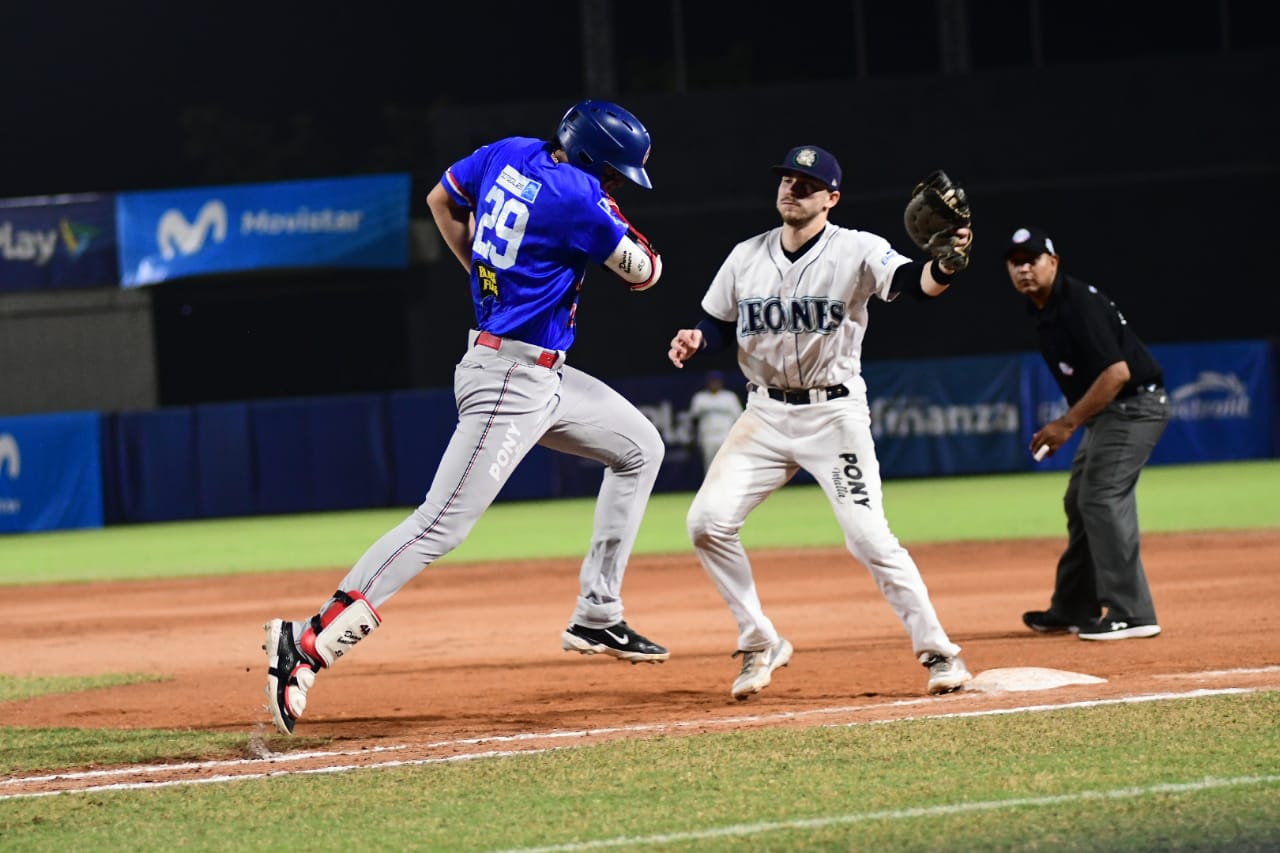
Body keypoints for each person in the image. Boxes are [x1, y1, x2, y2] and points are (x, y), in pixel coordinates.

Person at [263, 100, 671, 735]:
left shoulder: (509, 151)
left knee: (641, 447)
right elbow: (646, 273)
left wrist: (489, 283)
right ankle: (308, 643)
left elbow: (439, 201)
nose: (616, 183)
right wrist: (599, 214)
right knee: (440, 525)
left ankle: (597, 612)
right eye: (616, 172)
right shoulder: (579, 197)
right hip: (509, 380)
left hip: (539, 370)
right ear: (593, 159)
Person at [667, 145, 973, 699]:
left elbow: (913, 283)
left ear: (831, 198)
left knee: (869, 539)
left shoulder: (856, 248)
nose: (791, 189)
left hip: (833, 415)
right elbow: (713, 321)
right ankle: (760, 641)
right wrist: (696, 339)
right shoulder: (745, 255)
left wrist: (946, 265)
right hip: (762, 414)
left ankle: (940, 653)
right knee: (706, 524)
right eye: (786, 180)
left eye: (806, 184)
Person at [1006, 226, 1169, 641]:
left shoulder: (1077, 302)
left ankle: (1132, 612)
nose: (1024, 268)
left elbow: (1117, 373)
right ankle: (1074, 607)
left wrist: (1066, 424)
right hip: (1111, 413)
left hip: (1135, 407)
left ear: (1054, 262)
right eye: (1015, 262)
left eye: (1032, 259)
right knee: (1079, 501)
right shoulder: (1042, 310)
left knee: (1100, 497)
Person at [688, 369, 744, 473]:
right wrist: (693, 438)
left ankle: (729, 487)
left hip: (725, 435)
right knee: (710, 467)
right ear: (708, 382)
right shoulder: (700, 398)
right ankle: (712, 488)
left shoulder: (729, 397)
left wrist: (738, 436)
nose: (714, 383)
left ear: (720, 382)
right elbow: (694, 420)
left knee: (727, 464)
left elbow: (739, 418)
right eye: (712, 381)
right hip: (707, 436)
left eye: (716, 381)